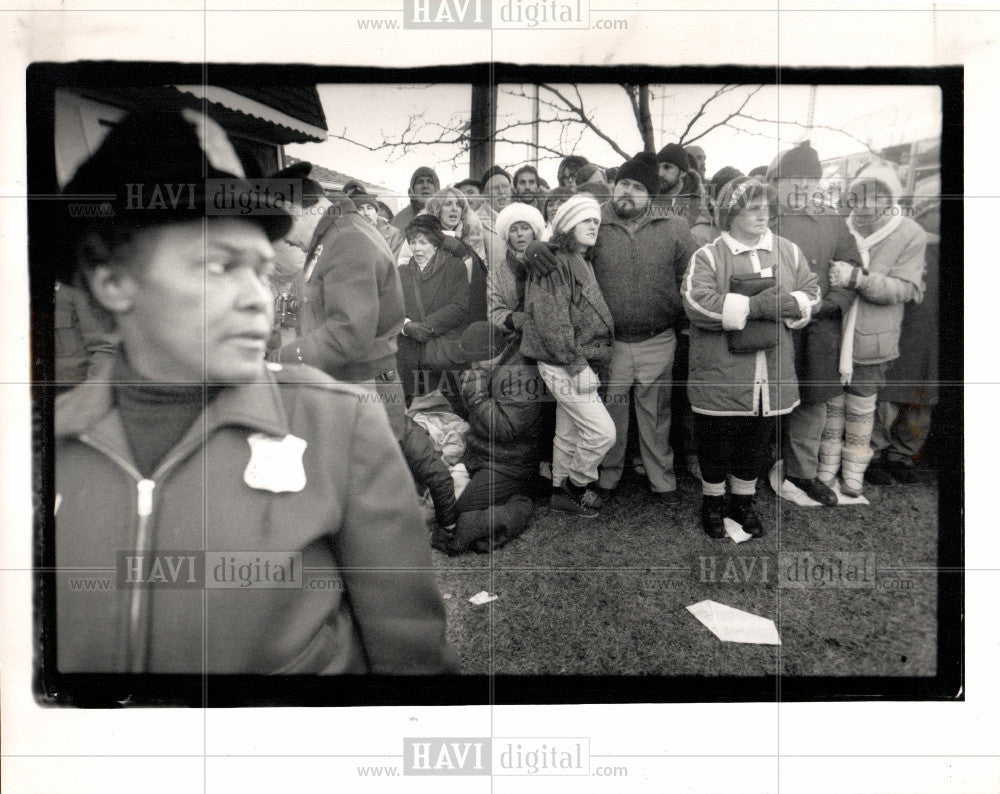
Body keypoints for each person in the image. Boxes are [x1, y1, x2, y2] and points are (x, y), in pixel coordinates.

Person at [51, 108, 457, 674]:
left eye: (263, 271)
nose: (258, 299)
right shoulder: (41, 452)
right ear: (114, 282)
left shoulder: (339, 428)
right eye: (219, 267)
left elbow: (414, 665)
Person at [529, 153, 699, 505]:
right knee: (612, 410)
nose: (628, 192)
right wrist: (534, 249)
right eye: (624, 183)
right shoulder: (595, 220)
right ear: (614, 184)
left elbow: (692, 279)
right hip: (610, 342)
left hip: (659, 337)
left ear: (651, 195)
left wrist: (682, 322)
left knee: (656, 414)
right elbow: (559, 245)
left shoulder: (675, 228)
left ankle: (661, 478)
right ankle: (607, 476)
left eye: (638, 187)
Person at [682, 176, 820, 537]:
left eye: (766, 208)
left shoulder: (788, 251)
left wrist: (795, 303)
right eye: (753, 208)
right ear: (731, 213)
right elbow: (697, 303)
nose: (764, 215)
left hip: (771, 372)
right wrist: (754, 305)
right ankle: (712, 502)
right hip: (722, 371)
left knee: (757, 440)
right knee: (716, 439)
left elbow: (812, 290)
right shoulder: (709, 255)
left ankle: (743, 502)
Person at [271, 161, 408, 440]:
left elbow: (348, 333)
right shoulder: (335, 233)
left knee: (371, 480)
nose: (286, 241)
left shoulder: (347, 239)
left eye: (282, 227)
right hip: (351, 386)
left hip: (364, 387)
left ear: (292, 209)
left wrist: (282, 359)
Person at [819, 163, 927, 496]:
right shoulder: (838, 227)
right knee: (832, 403)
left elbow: (906, 289)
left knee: (863, 404)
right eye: (859, 194)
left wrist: (861, 281)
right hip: (834, 333)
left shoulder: (909, 233)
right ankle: (826, 467)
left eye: (875, 195)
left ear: (889, 198)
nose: (864, 203)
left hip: (872, 337)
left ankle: (853, 472)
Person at [766, 142, 862, 506]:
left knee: (813, 402)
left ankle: (801, 473)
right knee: (767, 398)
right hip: (773, 326)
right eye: (794, 179)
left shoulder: (832, 221)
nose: (803, 186)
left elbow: (852, 270)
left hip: (820, 329)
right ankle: (752, 468)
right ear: (776, 182)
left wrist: (831, 306)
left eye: (811, 179)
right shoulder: (761, 219)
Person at [520, 195, 616, 517]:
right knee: (603, 432)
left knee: (569, 431)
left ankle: (559, 490)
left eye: (596, 221)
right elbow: (551, 322)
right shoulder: (553, 263)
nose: (593, 226)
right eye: (585, 220)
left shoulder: (579, 259)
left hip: (576, 359)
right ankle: (576, 485)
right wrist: (577, 366)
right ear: (567, 225)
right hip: (563, 362)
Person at [432, 322, 544, 555]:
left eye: (475, 359)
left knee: (456, 519)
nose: (471, 365)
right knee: (444, 512)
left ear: (491, 354)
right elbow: (476, 418)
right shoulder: (491, 368)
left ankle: (520, 505)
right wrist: (471, 396)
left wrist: (478, 398)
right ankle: (517, 494)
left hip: (509, 464)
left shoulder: (520, 374)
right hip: (483, 453)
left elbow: (506, 429)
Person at [869, 177, 939, 483]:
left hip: (932, 338)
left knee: (919, 403)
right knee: (887, 400)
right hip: (903, 330)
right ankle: (872, 454)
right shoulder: (909, 239)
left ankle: (902, 455)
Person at [395, 215, 471, 402]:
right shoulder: (401, 272)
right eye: (413, 242)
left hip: (440, 353)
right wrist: (407, 327)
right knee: (411, 408)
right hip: (408, 355)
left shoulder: (455, 267)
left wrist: (428, 326)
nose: (417, 248)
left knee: (443, 409)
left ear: (436, 243)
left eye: (423, 242)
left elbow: (459, 306)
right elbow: (391, 308)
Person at [420, 186, 489, 324]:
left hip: (465, 316)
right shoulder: (420, 236)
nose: (454, 209)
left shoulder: (470, 239)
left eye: (458, 204)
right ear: (437, 210)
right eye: (448, 204)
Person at [487, 202, 547, 333]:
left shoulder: (548, 262)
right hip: (516, 338)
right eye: (513, 230)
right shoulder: (497, 272)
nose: (519, 234)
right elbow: (494, 313)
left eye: (525, 228)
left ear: (534, 232)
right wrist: (518, 320)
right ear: (507, 236)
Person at [656, 142, 710, 229]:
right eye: (658, 168)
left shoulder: (700, 205)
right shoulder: (649, 199)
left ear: (683, 172)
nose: (660, 173)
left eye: (667, 167)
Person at [353, 191, 404, 256]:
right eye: (360, 209)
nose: (366, 213)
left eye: (369, 208)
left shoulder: (393, 234)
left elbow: (395, 261)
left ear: (377, 212)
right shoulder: (350, 234)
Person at [390, 166, 441, 231]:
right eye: (420, 182)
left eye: (430, 181)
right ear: (412, 189)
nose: (425, 186)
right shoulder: (400, 219)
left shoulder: (447, 214)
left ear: (437, 188)